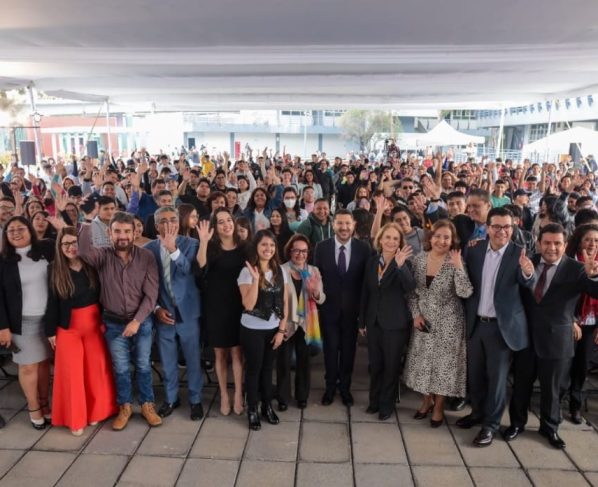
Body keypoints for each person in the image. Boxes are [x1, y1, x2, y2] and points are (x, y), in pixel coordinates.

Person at [506, 223, 598, 449]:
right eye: (547, 242)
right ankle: (516, 424)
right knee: (521, 385)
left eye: (557, 243)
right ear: (539, 243)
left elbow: (594, 291)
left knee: (553, 388)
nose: (552, 248)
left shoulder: (577, 269)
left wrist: (594, 276)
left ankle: (550, 428)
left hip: (557, 341)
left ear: (565, 245)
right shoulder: (529, 261)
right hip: (526, 338)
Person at [456, 207, 534, 447]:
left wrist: (528, 273)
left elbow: (527, 282)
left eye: (508, 227)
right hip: (476, 324)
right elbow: (466, 282)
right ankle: (477, 413)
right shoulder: (475, 250)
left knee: (497, 380)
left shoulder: (520, 253)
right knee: (476, 376)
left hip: (502, 329)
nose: (503, 231)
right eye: (497, 226)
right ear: (487, 228)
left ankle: (490, 426)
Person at [78, 211, 161, 431]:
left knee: (143, 365)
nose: (122, 236)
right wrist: (87, 221)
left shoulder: (146, 257)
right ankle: (125, 406)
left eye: (126, 231)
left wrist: (136, 321)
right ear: (109, 233)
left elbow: (151, 295)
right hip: (114, 323)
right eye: (117, 231)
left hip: (141, 322)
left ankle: (146, 404)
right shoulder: (102, 256)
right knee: (121, 367)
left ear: (134, 233)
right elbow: (84, 252)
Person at [45, 227, 117, 435]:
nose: (70, 247)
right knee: (72, 374)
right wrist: (51, 332)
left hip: (94, 324)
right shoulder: (54, 269)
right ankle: (75, 418)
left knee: (96, 370)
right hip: (68, 328)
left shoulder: (91, 265)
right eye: (65, 243)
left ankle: (97, 411)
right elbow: (51, 303)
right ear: (60, 247)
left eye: (74, 242)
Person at [403, 220, 473, 427]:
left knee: (443, 366)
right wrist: (416, 315)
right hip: (424, 320)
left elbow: (465, 292)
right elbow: (411, 293)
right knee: (423, 364)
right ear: (430, 238)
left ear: (452, 241)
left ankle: (439, 407)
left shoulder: (455, 261)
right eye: (438, 236)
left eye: (446, 237)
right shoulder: (418, 260)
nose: (441, 241)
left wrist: (460, 268)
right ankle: (426, 401)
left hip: (449, 322)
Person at [145, 207, 204, 421]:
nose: (169, 223)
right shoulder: (148, 249)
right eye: (163, 220)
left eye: (173, 219)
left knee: (192, 358)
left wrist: (173, 250)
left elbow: (188, 270)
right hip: (164, 313)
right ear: (156, 225)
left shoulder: (191, 244)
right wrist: (156, 309)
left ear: (179, 223)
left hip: (188, 312)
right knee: (168, 360)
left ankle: (196, 400)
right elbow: (145, 284)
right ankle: (171, 398)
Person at [0, 216, 54, 429]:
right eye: (10, 230)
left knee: (43, 365)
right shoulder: (3, 262)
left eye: (20, 228)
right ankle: (34, 408)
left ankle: (44, 402)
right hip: (21, 323)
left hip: (48, 320)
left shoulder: (45, 250)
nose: (15, 232)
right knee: (28, 367)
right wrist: (3, 327)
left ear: (30, 229)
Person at [314, 209, 370, 406]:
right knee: (329, 352)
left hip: (352, 314)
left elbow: (366, 284)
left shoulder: (364, 249)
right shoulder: (321, 248)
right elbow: (316, 278)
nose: (344, 227)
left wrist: (362, 315)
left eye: (347, 223)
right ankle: (330, 388)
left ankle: (345, 388)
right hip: (328, 312)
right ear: (333, 224)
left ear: (353, 224)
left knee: (348, 353)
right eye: (340, 223)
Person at [359, 223, 415, 421]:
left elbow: (410, 287)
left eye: (395, 238)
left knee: (391, 366)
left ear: (400, 242)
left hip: (395, 323)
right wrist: (362, 320)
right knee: (376, 365)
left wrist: (400, 267)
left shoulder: (405, 263)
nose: (391, 241)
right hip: (373, 321)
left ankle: (386, 405)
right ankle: (373, 402)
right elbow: (366, 292)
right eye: (388, 237)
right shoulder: (372, 262)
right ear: (380, 240)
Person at [238, 230, 289, 430]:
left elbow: (285, 300)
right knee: (254, 370)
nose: (268, 249)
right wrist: (254, 280)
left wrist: (281, 330)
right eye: (264, 245)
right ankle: (253, 409)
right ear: (256, 248)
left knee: (268, 370)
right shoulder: (246, 271)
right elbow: (249, 305)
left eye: (272, 245)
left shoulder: (280, 270)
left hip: (273, 328)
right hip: (252, 329)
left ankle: (267, 406)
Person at [197, 208, 246, 416]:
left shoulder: (244, 247)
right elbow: (200, 267)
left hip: (238, 304)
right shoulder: (211, 247)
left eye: (229, 220)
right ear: (215, 227)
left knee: (237, 352)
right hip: (216, 305)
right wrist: (204, 241)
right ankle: (224, 394)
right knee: (220, 353)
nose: (226, 224)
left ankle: (237, 394)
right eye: (221, 222)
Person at [278, 234, 325, 410]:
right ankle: (283, 398)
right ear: (290, 251)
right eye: (296, 250)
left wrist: (315, 292)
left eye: (304, 251)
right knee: (283, 361)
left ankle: (302, 396)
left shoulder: (313, 271)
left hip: (307, 324)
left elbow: (321, 299)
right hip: (286, 323)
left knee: (304, 362)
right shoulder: (281, 270)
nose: (300, 254)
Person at [565, 224, 598, 424]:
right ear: (578, 241)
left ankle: (575, 404)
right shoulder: (569, 263)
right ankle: (557, 398)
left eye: (596, 240)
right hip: (569, 321)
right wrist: (570, 320)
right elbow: (561, 297)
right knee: (565, 363)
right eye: (588, 239)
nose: (592, 244)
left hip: (591, 322)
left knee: (582, 365)